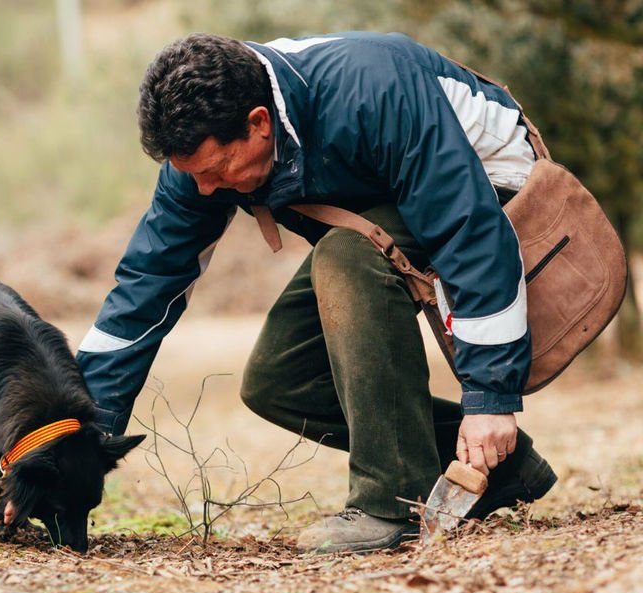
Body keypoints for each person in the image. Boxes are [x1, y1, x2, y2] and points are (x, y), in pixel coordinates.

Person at [74, 31, 557, 554]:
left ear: (259, 123)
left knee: (347, 255)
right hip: (382, 208)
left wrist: (490, 400)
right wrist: (77, 432)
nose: (206, 189)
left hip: (492, 181)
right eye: (194, 176)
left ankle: (393, 503)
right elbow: (146, 286)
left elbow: (469, 230)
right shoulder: (199, 165)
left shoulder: (371, 90)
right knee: (281, 379)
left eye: (216, 170)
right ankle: (505, 470)